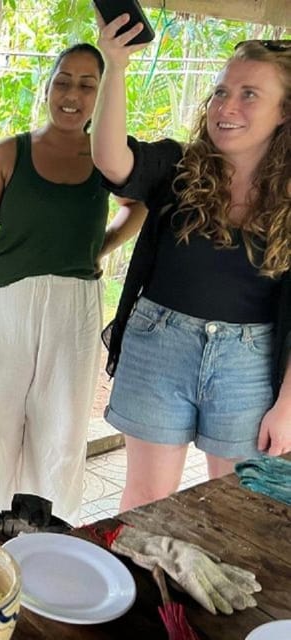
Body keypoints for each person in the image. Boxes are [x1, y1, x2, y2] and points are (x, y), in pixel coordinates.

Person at [92, 14, 290, 511]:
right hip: (161, 343)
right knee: (147, 503)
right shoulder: (180, 167)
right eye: (223, 91)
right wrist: (115, 67)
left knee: (243, 507)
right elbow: (112, 160)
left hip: (250, 361)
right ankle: (145, 591)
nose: (227, 106)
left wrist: (289, 404)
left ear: (285, 112)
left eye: (250, 94)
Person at [0, 43, 146, 525]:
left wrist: (96, 248)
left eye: (86, 84)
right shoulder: (8, 154)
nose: (72, 94)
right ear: (47, 86)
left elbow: (138, 204)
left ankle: (47, 548)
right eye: (63, 80)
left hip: (73, 313)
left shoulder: (109, 158)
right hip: (0, 309)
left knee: (60, 431)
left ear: (102, 96)